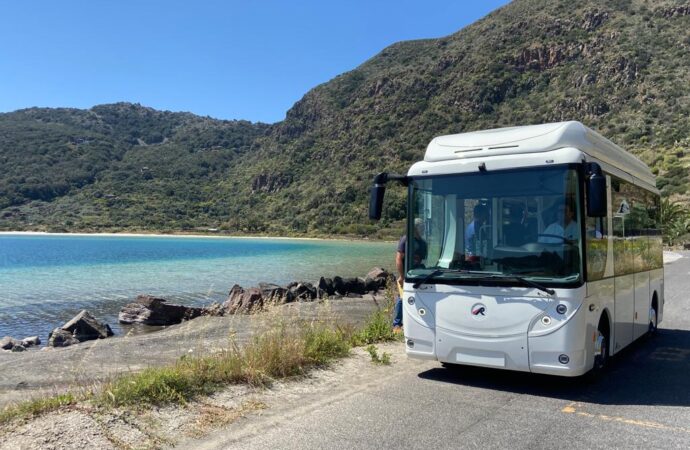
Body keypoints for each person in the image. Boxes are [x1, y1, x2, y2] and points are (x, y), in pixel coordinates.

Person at [393, 218, 427, 331]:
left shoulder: (423, 243)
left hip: (418, 274)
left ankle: (415, 321)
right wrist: (402, 276)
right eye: (420, 226)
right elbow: (398, 259)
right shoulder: (405, 240)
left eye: (423, 226)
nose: (422, 229)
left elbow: (423, 262)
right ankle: (396, 324)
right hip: (406, 275)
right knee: (402, 298)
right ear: (415, 228)